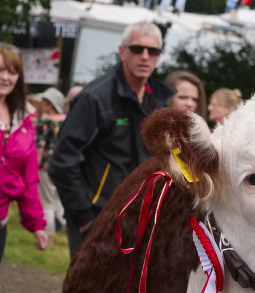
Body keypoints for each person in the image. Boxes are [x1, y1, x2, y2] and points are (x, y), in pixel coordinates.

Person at [49, 21, 175, 257]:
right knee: (89, 291)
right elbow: (62, 162)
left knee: (130, 292)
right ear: (122, 51)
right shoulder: (94, 98)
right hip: (98, 215)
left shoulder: (160, 100)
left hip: (142, 216)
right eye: (137, 49)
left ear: (159, 56)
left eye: (153, 51)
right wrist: (84, 216)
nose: (145, 57)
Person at [0, 43, 49, 262]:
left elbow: (28, 180)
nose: (6, 78)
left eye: (12, 72)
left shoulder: (24, 120)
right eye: (0, 70)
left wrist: (36, 224)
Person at [35, 87, 67, 241]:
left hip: (46, 167)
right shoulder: (67, 121)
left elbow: (40, 147)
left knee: (46, 202)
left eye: (43, 101)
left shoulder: (45, 122)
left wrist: (34, 167)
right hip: (64, 167)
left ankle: (48, 235)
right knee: (57, 199)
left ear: (50, 104)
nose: (41, 104)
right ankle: (64, 226)